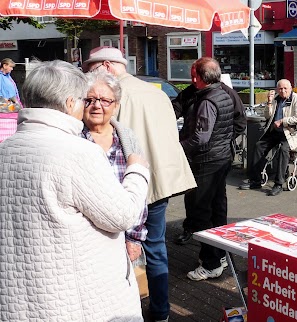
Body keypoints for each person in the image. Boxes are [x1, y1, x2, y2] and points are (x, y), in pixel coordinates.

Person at [0, 60, 150, 321]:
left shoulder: (6, 149)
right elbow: (123, 215)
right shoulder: (78, 152)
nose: (90, 106)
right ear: (70, 103)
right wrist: (137, 171)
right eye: (85, 99)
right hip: (74, 301)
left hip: (18, 300)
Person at [83, 46, 197, 322]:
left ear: (106, 66)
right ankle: (161, 311)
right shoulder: (155, 91)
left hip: (124, 185)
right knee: (156, 247)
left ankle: (122, 310)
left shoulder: (111, 96)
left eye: (90, 68)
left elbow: (106, 138)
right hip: (159, 181)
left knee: (117, 251)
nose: (87, 74)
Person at [179, 57, 241, 280]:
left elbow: (200, 138)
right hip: (221, 158)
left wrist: (178, 147)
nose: (191, 79)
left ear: (198, 77)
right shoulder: (224, 93)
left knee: (201, 214)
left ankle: (211, 263)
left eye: (193, 75)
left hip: (207, 162)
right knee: (216, 210)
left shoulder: (207, 100)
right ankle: (220, 254)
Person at [172, 69, 247, 246]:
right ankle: (193, 229)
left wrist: (221, 140)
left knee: (212, 200)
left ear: (204, 77)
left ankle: (215, 241)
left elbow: (239, 121)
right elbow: (176, 107)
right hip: (196, 153)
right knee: (194, 195)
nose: (192, 79)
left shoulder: (224, 94)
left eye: (194, 76)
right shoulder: (193, 91)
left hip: (211, 154)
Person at [81, 69, 148, 262]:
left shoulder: (126, 138)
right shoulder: (73, 138)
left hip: (123, 234)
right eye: (90, 99)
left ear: (116, 105)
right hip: (87, 238)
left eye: (105, 100)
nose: (96, 106)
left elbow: (140, 192)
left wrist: (134, 237)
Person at [239, 79, 297, 196]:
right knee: (259, 146)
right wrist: (269, 103)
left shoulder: (296, 99)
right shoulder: (276, 99)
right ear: (276, 89)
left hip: (290, 133)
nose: (283, 91)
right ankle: (256, 180)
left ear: (290, 89)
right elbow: (267, 116)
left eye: (285, 88)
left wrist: (283, 121)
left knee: (283, 150)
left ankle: (278, 183)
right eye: (280, 88)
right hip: (275, 132)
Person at [0, 58, 22, 142]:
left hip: (13, 103)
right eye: (10, 67)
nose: (12, 69)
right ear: (4, 66)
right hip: (6, 105)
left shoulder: (8, 77)